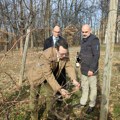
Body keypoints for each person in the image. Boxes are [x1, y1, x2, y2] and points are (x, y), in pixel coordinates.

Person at [28, 39, 80, 119]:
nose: (64, 56)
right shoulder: (46, 54)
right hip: (37, 76)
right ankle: (34, 117)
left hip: (51, 77)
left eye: (65, 53)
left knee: (51, 98)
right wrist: (60, 89)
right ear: (56, 49)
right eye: (62, 54)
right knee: (34, 100)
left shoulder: (65, 53)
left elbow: (68, 65)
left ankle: (48, 116)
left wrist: (74, 79)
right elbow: (48, 75)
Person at [78, 24, 100, 114]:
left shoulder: (94, 40)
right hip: (83, 68)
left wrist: (92, 69)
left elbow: (96, 55)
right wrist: (77, 61)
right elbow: (81, 53)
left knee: (92, 88)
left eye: (86, 32)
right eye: (82, 32)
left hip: (91, 70)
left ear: (90, 31)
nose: (84, 33)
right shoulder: (83, 40)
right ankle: (83, 102)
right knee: (84, 86)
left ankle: (91, 105)